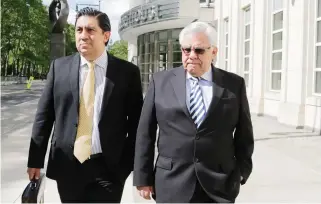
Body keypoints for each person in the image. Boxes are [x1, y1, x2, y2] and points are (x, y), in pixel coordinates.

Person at [27, 7, 143, 203]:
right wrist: (35, 160)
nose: (83, 36)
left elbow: (137, 125)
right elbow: (44, 117)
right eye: (79, 30)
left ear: (106, 35)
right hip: (68, 166)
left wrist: (130, 166)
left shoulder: (127, 73)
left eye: (90, 30)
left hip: (109, 169)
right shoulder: (59, 68)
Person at [133, 21, 254, 203]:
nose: (191, 55)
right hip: (171, 183)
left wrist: (242, 172)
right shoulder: (160, 82)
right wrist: (142, 178)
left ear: (213, 52)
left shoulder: (233, 85)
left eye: (198, 50)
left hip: (219, 185)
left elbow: (244, 134)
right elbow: (145, 134)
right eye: (186, 50)